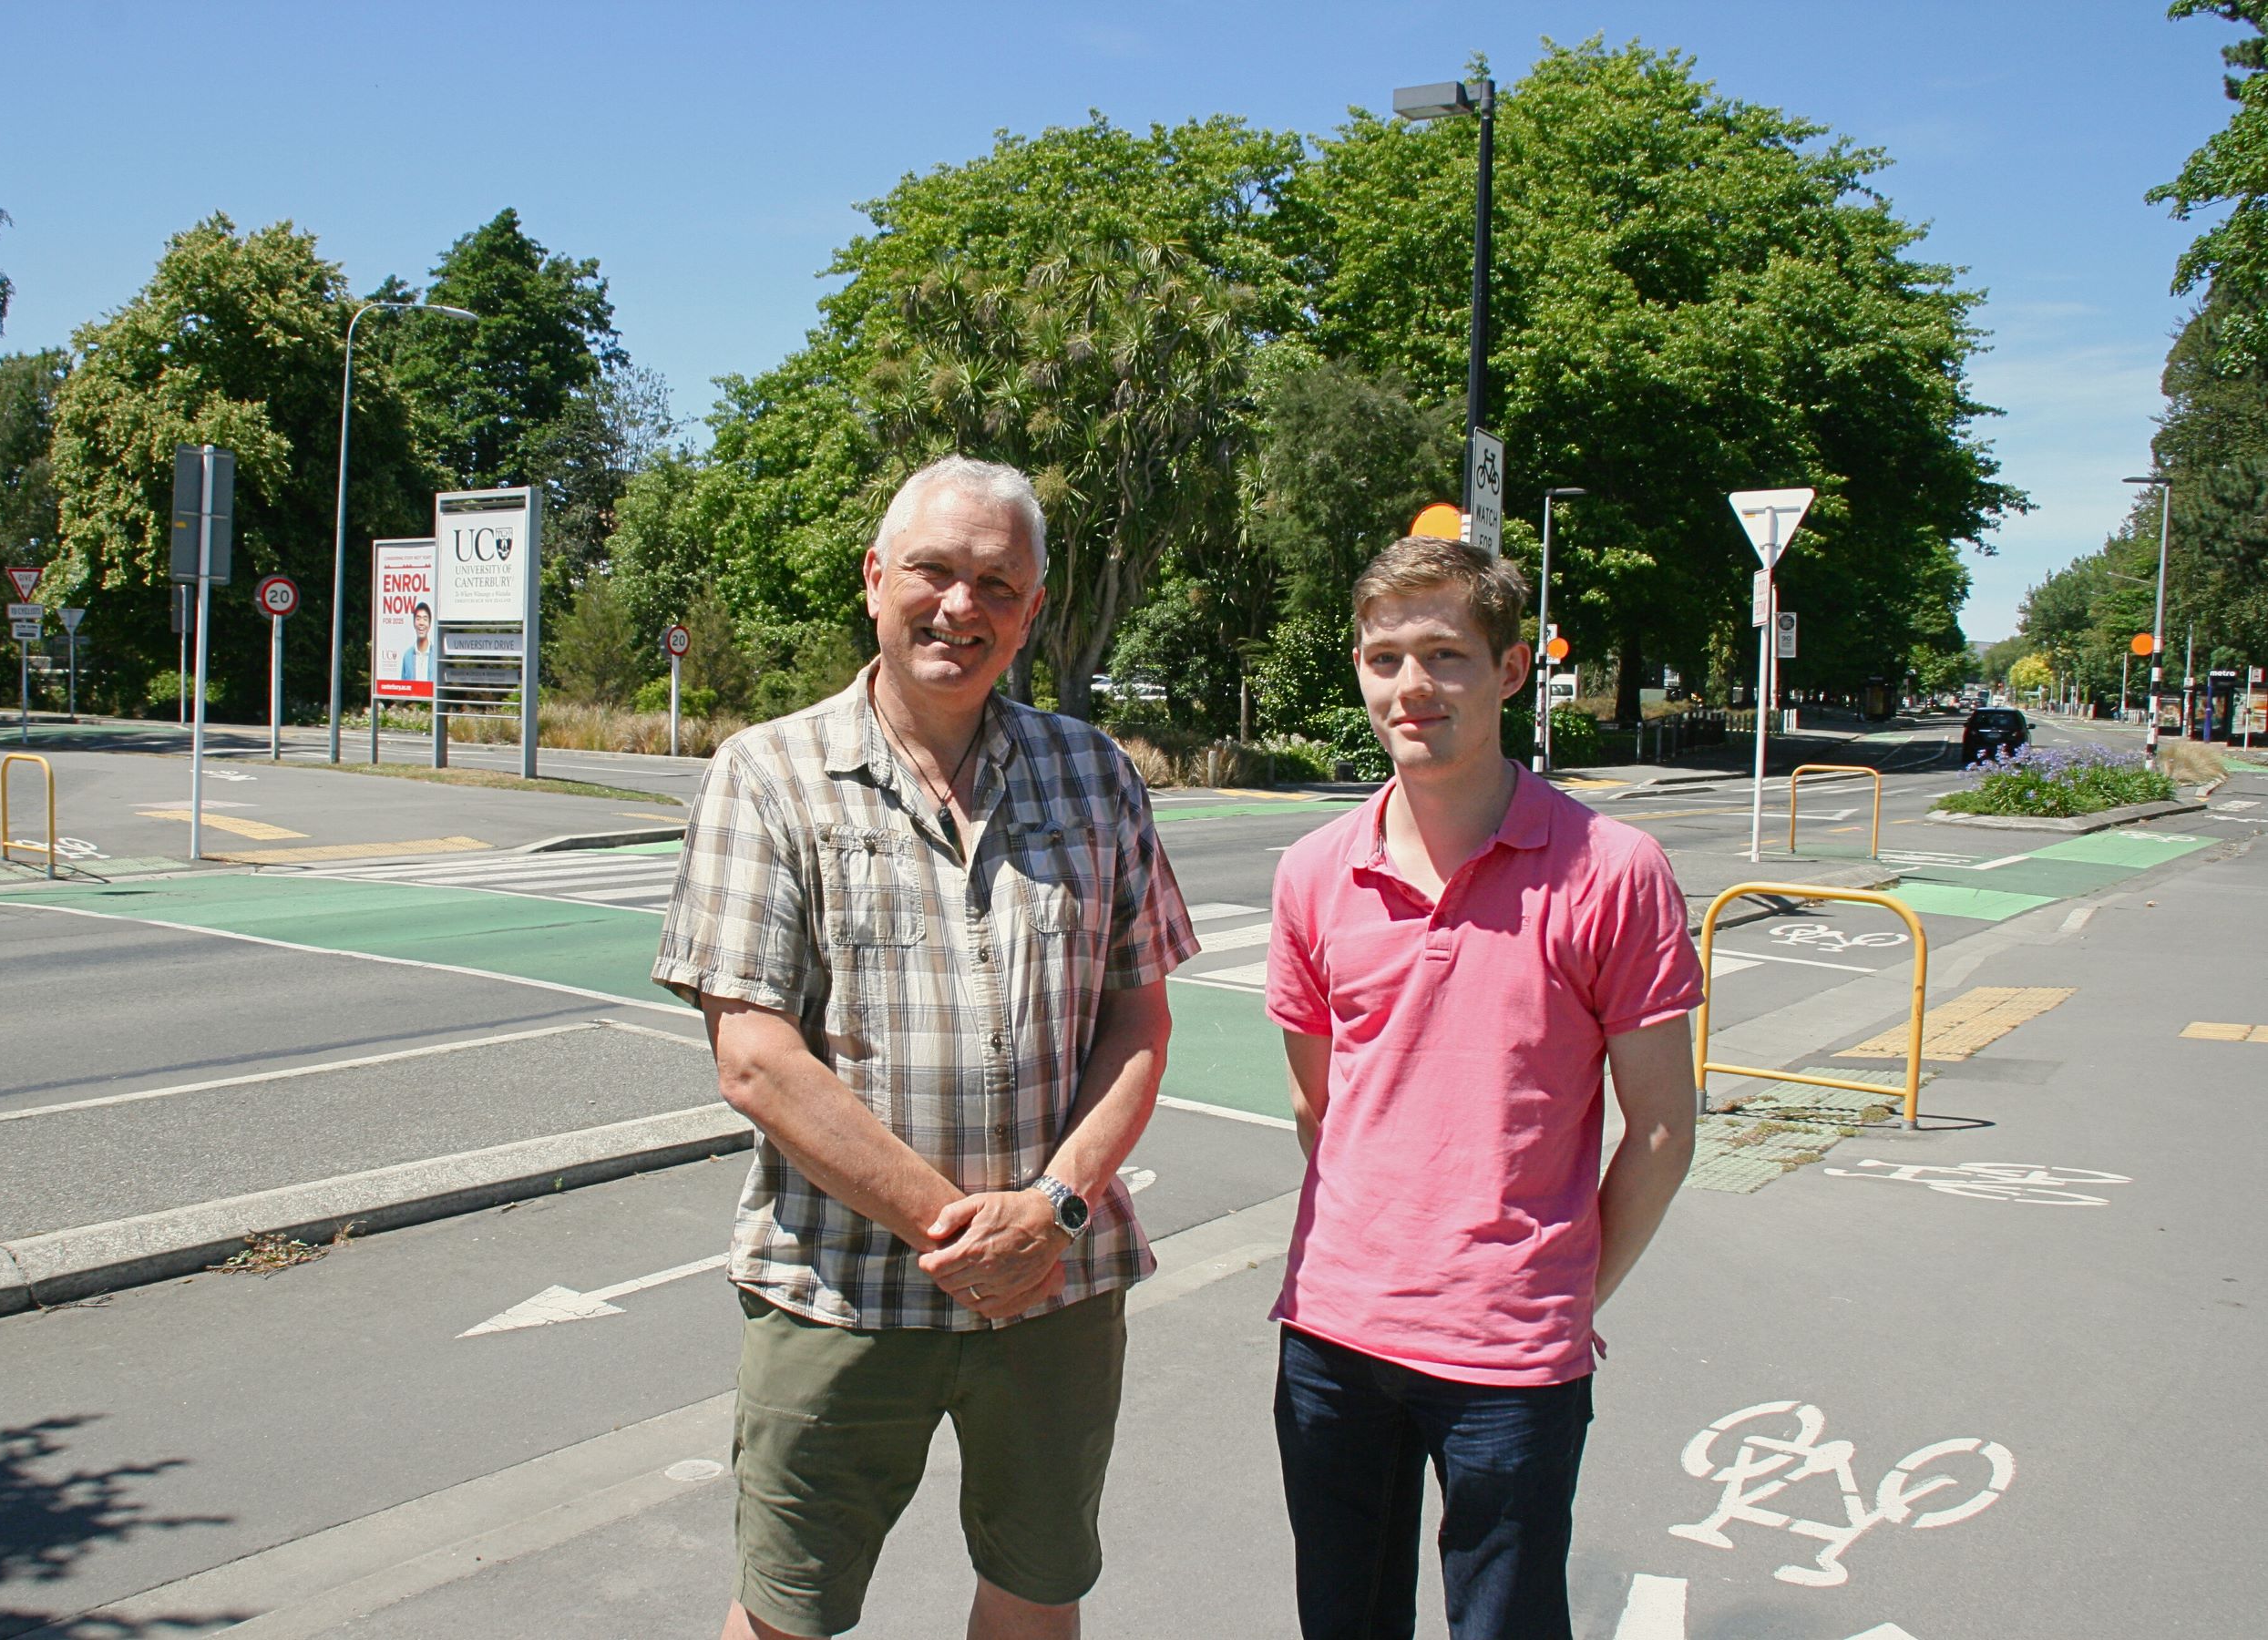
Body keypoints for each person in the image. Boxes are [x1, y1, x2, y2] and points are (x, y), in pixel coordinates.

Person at [653, 454, 1198, 1640]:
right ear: (874, 579)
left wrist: (1049, 1211)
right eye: (935, 571)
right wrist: (964, 1239)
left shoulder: (1095, 775)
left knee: (1035, 1595)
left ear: (1034, 611)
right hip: (837, 1291)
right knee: (785, 1613)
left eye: (998, 584)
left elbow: (1140, 1022)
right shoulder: (768, 773)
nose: (963, 606)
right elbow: (753, 1054)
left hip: (1058, 1291)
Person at [1263, 535, 1701, 1640]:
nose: (1412, 687)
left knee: (1506, 1623)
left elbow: (1661, 1130)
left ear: (1510, 671)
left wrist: (1564, 1290)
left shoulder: (1611, 868)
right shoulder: (1315, 871)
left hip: (1509, 1351)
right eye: (1384, 658)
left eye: (1447, 655)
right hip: (1332, 1333)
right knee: (1343, 1620)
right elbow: (1323, 1107)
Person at [400, 601, 434, 683]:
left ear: (429, 625)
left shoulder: (436, 655)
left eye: (425, 619)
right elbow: (404, 686)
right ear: (414, 623)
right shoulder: (407, 656)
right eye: (418, 619)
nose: (421, 623)